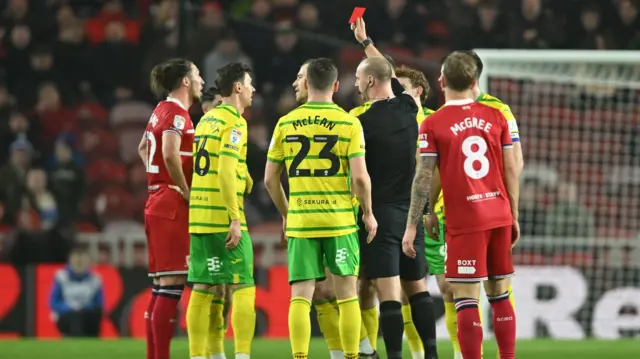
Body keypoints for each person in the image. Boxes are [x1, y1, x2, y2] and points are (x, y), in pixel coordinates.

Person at [403, 51, 520, 359]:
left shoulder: (432, 123)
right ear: (474, 82)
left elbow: (424, 176)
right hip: (499, 214)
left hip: (465, 220)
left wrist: (423, 214)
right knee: (500, 293)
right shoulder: (496, 115)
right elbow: (512, 168)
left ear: (441, 81)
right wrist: (515, 214)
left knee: (466, 297)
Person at [264, 57, 377, 359]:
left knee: (300, 297)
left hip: (302, 221)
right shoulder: (348, 122)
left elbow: (269, 180)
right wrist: (367, 212)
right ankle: (353, 356)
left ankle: (300, 357)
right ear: (336, 86)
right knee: (347, 295)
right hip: (339, 221)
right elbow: (360, 178)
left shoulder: (285, 123)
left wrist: (287, 214)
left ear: (307, 83)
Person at [351, 17, 438, 359]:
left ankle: (395, 357)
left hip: (382, 213)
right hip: (410, 213)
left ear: (369, 81)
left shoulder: (359, 122)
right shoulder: (409, 107)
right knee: (417, 290)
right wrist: (365, 41)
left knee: (388, 293)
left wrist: (367, 212)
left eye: (360, 78)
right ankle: (431, 355)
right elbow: (387, 71)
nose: (357, 84)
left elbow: (360, 176)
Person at [186, 62, 256, 359]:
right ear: (238, 87)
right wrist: (235, 218)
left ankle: (204, 355)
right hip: (221, 216)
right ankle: (241, 355)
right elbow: (225, 172)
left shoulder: (206, 120)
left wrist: (244, 174)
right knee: (243, 284)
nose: (253, 90)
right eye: (249, 84)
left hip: (199, 216)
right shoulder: (235, 123)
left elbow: (214, 165)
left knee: (203, 287)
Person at [139, 58, 203, 359]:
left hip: (156, 199)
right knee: (173, 285)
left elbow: (143, 148)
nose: (202, 80)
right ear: (186, 81)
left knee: (162, 286)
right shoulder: (177, 113)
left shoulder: (159, 110)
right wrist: (184, 189)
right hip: (171, 204)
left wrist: (157, 181)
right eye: (198, 75)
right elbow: (168, 151)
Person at [395, 65, 436, 359]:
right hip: (401, 212)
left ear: (417, 91)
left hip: (436, 214)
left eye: (401, 86)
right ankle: (417, 354)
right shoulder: (391, 119)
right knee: (400, 289)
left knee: (448, 287)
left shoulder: (435, 120)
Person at [50, 247, 104, 337]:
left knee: (92, 314)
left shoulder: (95, 279)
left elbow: (99, 303)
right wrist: (68, 308)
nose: (79, 264)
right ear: (70, 262)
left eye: (82, 261)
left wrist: (84, 308)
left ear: (88, 262)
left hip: (87, 314)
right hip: (67, 315)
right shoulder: (61, 277)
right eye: (76, 261)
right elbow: (54, 302)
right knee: (75, 316)